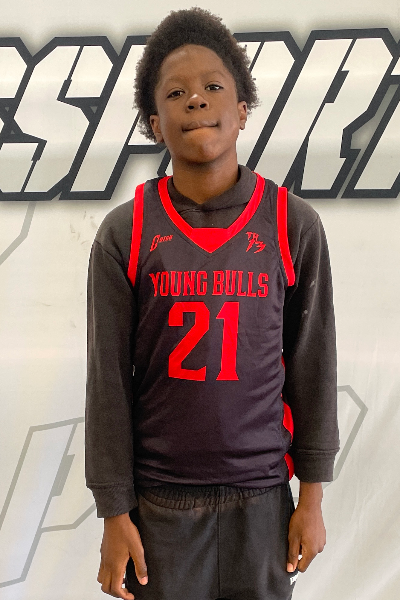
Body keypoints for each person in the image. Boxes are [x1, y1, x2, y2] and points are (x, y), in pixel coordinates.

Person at [85, 7, 340, 600]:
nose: (195, 99)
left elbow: (313, 367)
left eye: (213, 87)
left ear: (243, 109)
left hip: (263, 497)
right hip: (161, 503)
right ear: (155, 123)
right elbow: (108, 385)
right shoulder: (126, 233)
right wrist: (114, 512)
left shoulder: (291, 224)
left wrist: (312, 498)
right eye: (176, 93)